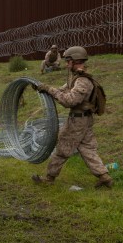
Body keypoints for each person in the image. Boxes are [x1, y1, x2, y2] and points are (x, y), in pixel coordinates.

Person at [32, 46, 113, 188]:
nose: (66, 64)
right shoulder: (76, 78)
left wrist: (50, 90)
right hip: (83, 120)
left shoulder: (82, 81)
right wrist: (45, 88)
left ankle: (49, 178)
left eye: (68, 61)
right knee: (87, 149)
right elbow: (62, 90)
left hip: (78, 121)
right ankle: (104, 177)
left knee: (62, 149)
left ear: (75, 61)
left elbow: (69, 101)